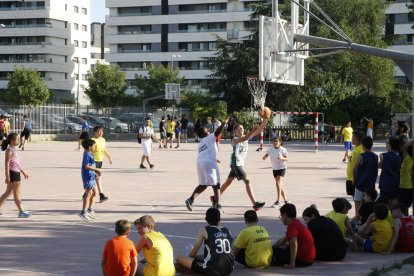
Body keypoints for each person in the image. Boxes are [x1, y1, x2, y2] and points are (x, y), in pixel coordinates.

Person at [217, 120, 267, 211]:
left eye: (242, 128)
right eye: (239, 128)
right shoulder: (234, 140)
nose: (241, 130)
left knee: (228, 182)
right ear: (235, 131)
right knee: (247, 181)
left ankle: (215, 197)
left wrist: (265, 120)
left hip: (238, 164)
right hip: (236, 164)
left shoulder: (246, 136)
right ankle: (255, 204)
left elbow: (259, 131)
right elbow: (244, 139)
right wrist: (252, 130)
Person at [185, 118, 228, 213]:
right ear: (204, 133)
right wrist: (224, 123)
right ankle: (218, 206)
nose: (208, 130)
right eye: (206, 129)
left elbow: (204, 153)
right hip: (209, 163)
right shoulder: (210, 137)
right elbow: (218, 132)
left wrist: (214, 158)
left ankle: (190, 199)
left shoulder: (200, 143)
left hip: (200, 163)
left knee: (203, 185)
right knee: (216, 184)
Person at [176, 207, 234, 275]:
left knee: (179, 258)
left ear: (205, 218)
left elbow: (194, 251)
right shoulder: (227, 230)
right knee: (202, 256)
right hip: (229, 268)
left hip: (213, 269)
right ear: (220, 219)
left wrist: (188, 259)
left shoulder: (205, 229)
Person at [272, 203, 316, 269]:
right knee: (277, 249)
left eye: (281, 216)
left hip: (303, 260)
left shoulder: (292, 226)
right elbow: (283, 240)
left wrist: (292, 264)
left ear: (285, 215)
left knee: (275, 255)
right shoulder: (297, 223)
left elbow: (293, 244)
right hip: (309, 258)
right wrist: (272, 248)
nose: (281, 218)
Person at [0, 133, 30, 218]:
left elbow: (17, 163)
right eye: (17, 139)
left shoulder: (13, 149)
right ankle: (21, 211)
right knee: (16, 193)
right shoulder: (9, 150)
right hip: (13, 173)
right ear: (12, 141)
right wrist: (7, 176)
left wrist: (23, 172)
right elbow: (7, 164)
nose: (19, 141)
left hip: (16, 172)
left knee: (8, 192)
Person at [353, 136, 378, 216]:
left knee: (358, 204)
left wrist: (354, 179)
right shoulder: (375, 156)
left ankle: (357, 219)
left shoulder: (361, 156)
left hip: (360, 184)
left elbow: (354, 168)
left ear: (362, 145)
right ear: (372, 145)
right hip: (370, 185)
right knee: (370, 205)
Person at [78, 138, 101, 221]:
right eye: (94, 146)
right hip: (87, 176)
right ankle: (83, 212)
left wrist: (95, 173)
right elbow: (86, 166)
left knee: (95, 192)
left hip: (91, 176)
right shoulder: (87, 154)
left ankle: (90, 209)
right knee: (88, 194)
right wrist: (96, 169)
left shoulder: (90, 153)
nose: (95, 147)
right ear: (89, 147)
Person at [263, 136, 289, 208]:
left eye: (277, 141)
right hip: (275, 169)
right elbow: (266, 155)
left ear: (280, 142)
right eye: (274, 141)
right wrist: (264, 157)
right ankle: (286, 200)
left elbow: (287, 158)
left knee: (278, 183)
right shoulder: (270, 149)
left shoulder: (283, 150)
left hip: (282, 168)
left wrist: (282, 158)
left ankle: (278, 201)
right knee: (279, 185)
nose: (275, 143)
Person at [91, 125, 112, 202]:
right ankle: (101, 195)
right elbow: (90, 151)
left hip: (100, 161)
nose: (100, 132)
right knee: (96, 178)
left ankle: (86, 194)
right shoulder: (92, 140)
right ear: (95, 132)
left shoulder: (103, 140)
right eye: (99, 131)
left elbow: (103, 150)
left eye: (102, 131)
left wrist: (109, 157)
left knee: (95, 178)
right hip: (93, 161)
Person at [378, 137, 401, 207]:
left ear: (390, 145)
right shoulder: (399, 156)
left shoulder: (382, 155)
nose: (386, 144)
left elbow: (379, 166)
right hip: (395, 182)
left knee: (385, 204)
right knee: (394, 202)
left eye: (387, 143)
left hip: (385, 183)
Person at [345, 131, 364, 196]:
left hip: (354, 179)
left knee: (357, 198)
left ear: (356, 138)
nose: (351, 138)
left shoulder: (361, 149)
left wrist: (355, 178)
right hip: (350, 178)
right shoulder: (356, 148)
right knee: (353, 197)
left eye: (352, 137)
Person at [399, 140, 414, 213]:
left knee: (402, 208)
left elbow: (405, 147)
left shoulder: (407, 159)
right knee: (405, 208)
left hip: (404, 186)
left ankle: (404, 222)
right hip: (410, 187)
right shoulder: (410, 159)